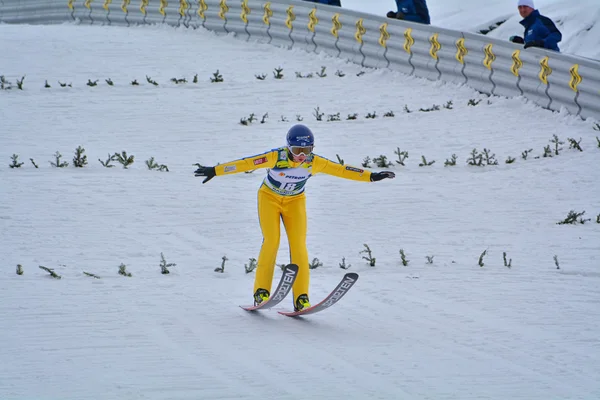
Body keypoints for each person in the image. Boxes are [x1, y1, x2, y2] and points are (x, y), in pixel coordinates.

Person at [194, 125, 395, 311]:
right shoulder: (276, 157)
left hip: (295, 202)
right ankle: (261, 292)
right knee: (272, 242)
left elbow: (342, 170)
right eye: (297, 150)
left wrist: (371, 176)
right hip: (269, 199)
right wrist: (216, 170)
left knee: (299, 246)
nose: (301, 156)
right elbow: (246, 163)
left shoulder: (315, 163)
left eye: (306, 151)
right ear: (288, 147)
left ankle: (301, 298)